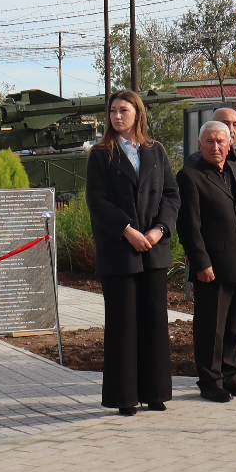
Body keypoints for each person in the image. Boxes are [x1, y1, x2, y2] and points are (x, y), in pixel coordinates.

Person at [85, 90, 181, 413]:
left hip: (154, 251)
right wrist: (128, 231)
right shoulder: (101, 155)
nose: (116, 116)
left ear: (137, 113)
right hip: (119, 252)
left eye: (123, 110)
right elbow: (97, 203)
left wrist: (157, 231)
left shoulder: (156, 152)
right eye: (112, 111)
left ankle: (155, 393)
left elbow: (171, 195)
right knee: (123, 325)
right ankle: (124, 397)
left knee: (154, 323)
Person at [176, 121, 236, 403]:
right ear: (200, 145)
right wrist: (201, 264)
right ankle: (210, 380)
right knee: (210, 327)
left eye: (220, 142)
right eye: (209, 142)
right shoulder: (190, 177)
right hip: (212, 268)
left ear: (229, 145)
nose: (216, 147)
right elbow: (189, 226)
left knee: (235, 326)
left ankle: (230, 375)